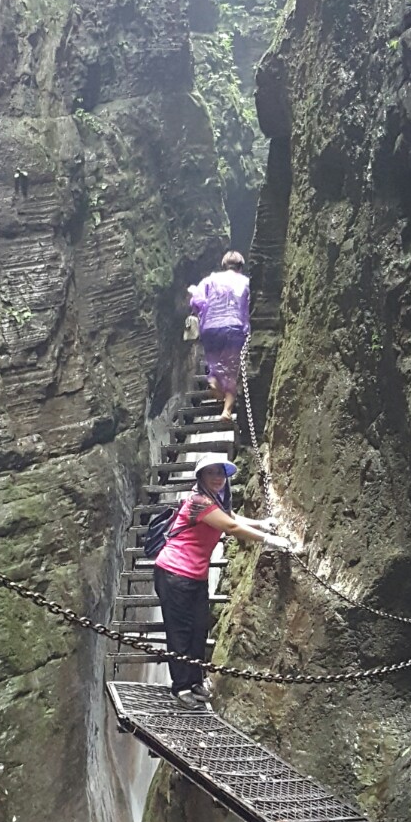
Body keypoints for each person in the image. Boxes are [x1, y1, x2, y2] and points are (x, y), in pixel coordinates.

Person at [154, 453, 290, 710]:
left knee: (197, 630)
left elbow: (230, 517)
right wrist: (269, 540)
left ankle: (195, 682)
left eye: (220, 473)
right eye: (211, 473)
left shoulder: (214, 500)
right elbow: (231, 528)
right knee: (180, 633)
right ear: (201, 476)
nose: (217, 478)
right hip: (174, 573)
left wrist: (262, 524)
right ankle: (181, 688)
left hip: (195, 576)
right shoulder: (197, 502)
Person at [188, 251, 250, 420]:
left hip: (211, 328)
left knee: (216, 363)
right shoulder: (245, 282)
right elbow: (250, 304)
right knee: (232, 368)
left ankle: (214, 380)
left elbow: (196, 300)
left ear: (223, 265)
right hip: (234, 328)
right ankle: (226, 411)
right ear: (241, 267)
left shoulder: (210, 280)